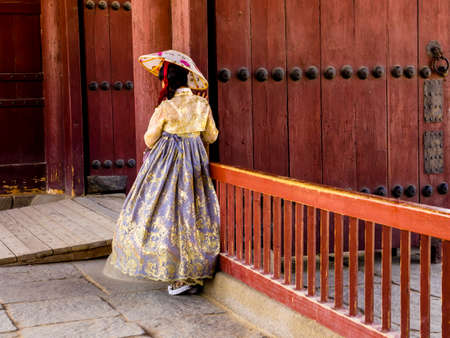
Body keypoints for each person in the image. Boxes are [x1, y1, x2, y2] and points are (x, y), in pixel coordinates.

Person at [104, 50, 220, 295]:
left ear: (168, 81)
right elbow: (212, 136)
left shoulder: (166, 107)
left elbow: (149, 139)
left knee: (165, 213)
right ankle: (191, 272)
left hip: (166, 166)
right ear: (187, 79)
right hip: (195, 165)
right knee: (193, 213)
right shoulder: (202, 104)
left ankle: (175, 272)